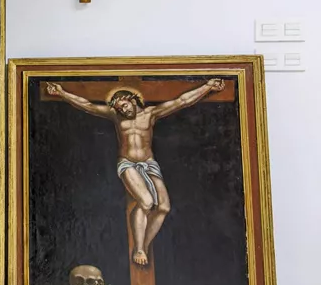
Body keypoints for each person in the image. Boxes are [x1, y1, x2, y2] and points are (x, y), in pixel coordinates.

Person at [45, 78, 225, 265]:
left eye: (125, 106)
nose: (124, 110)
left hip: (149, 163)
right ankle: (138, 247)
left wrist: (208, 86)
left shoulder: (151, 113)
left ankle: (144, 246)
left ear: (132, 100)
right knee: (146, 202)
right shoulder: (115, 116)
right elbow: (87, 105)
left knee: (163, 207)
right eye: (120, 109)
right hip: (127, 163)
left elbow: (182, 101)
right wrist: (62, 93)